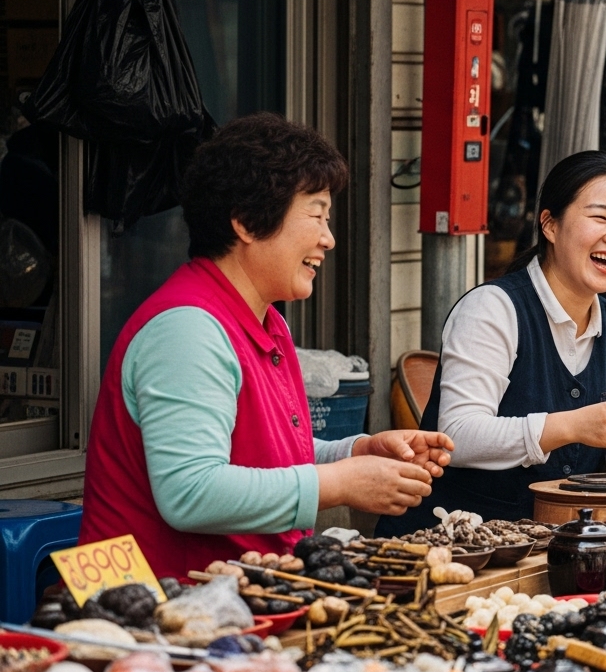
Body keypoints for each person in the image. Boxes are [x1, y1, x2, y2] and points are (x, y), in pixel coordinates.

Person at [80, 113, 454, 579]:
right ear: (247, 222)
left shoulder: (266, 320)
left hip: (236, 596)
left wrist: (356, 453)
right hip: (149, 608)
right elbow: (189, 491)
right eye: (316, 214)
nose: (328, 238)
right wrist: (337, 483)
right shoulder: (187, 329)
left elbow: (263, 455)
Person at [378, 151, 606, 530]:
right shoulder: (493, 308)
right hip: (448, 544)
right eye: (599, 217)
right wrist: (571, 426)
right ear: (549, 225)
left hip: (554, 551)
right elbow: (457, 434)